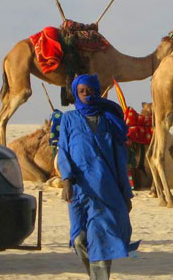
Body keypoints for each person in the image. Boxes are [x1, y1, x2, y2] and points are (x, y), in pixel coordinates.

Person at [57, 74, 139, 279]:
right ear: (76, 93)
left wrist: (125, 194)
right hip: (79, 191)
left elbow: (120, 160)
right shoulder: (68, 119)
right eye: (82, 91)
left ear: (96, 91)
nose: (86, 94)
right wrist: (66, 179)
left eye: (90, 91)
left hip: (106, 191)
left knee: (100, 240)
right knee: (79, 240)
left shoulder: (108, 121)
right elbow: (64, 151)